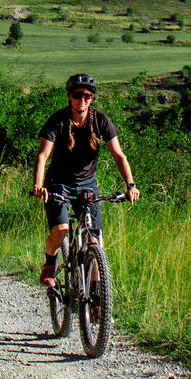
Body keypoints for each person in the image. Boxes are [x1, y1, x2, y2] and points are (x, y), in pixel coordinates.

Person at [30, 73, 139, 286]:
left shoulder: (100, 121)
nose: (83, 100)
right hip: (58, 183)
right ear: (70, 97)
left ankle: (98, 298)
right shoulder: (58, 120)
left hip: (87, 185)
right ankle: (49, 265)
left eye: (87, 96)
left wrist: (131, 185)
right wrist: (38, 185)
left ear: (92, 98)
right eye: (78, 95)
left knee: (94, 240)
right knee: (61, 229)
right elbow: (43, 155)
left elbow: (119, 155)